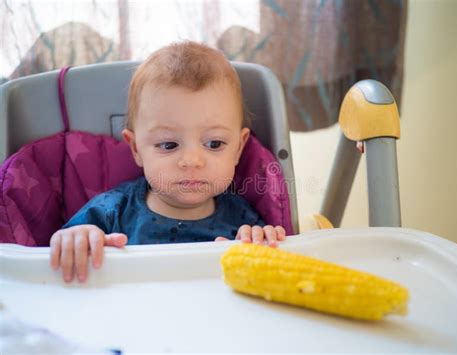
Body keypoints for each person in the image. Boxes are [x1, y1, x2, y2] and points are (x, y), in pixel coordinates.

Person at [49, 41, 286, 283]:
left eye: (214, 144)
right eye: (168, 145)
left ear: (239, 147)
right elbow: (59, 249)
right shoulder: (110, 213)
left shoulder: (243, 220)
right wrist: (79, 238)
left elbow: (273, 261)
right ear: (136, 148)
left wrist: (263, 240)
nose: (191, 161)